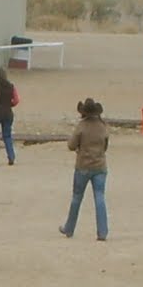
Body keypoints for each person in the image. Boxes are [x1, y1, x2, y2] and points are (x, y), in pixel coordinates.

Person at [59, 97, 110, 241]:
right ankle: (102, 231)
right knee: (100, 197)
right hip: (100, 166)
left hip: (83, 166)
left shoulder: (81, 126)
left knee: (77, 197)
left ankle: (69, 228)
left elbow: (71, 145)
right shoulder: (103, 126)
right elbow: (105, 146)